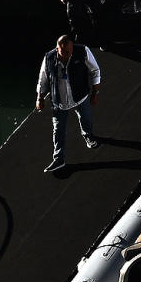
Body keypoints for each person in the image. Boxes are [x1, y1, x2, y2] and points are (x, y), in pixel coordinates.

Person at [37, 32, 99, 175]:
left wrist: (95, 93)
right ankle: (59, 158)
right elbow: (43, 79)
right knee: (58, 130)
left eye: (69, 51)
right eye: (63, 52)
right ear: (57, 48)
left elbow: (95, 70)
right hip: (59, 102)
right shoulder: (49, 58)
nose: (67, 55)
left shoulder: (82, 51)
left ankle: (88, 135)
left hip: (80, 97)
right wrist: (39, 98)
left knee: (86, 119)